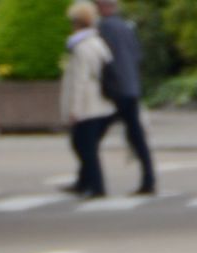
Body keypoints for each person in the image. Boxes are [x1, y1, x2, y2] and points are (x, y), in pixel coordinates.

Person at [96, 0, 156, 195]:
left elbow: (103, 59)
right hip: (131, 87)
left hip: (116, 90)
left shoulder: (104, 27)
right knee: (136, 136)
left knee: (89, 137)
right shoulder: (126, 26)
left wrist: (105, 85)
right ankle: (149, 178)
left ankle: (90, 180)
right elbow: (137, 55)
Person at [60, 3, 115, 199]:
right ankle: (84, 182)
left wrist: (74, 109)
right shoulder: (98, 42)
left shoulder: (81, 47)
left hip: (88, 106)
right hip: (102, 103)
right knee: (86, 146)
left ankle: (96, 186)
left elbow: (79, 81)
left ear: (76, 23)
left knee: (83, 146)